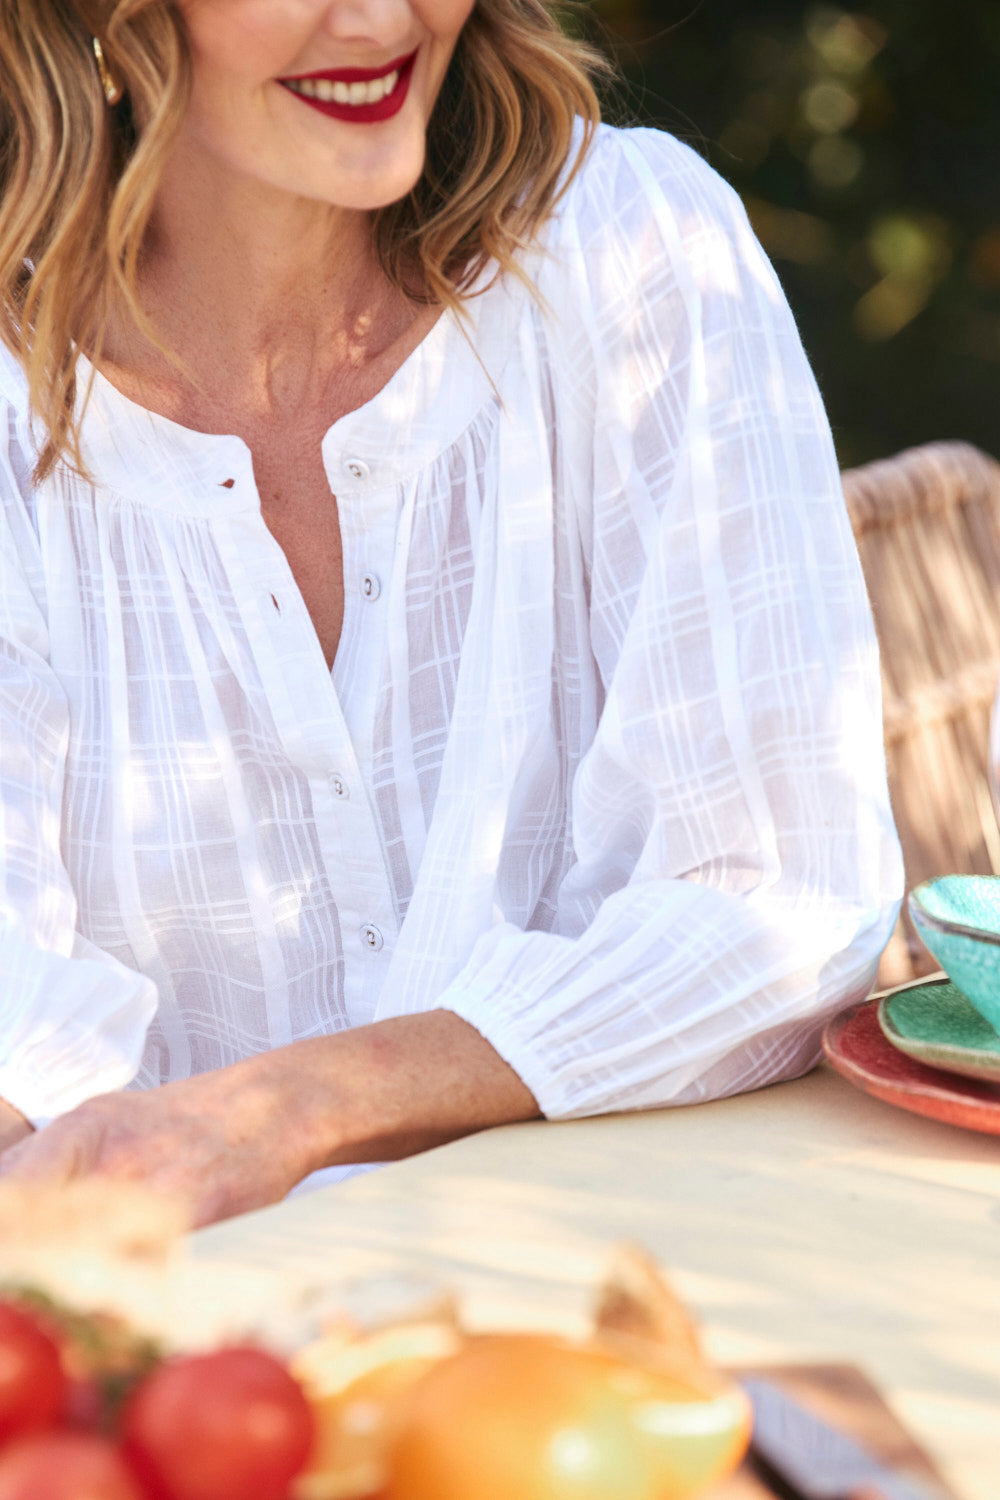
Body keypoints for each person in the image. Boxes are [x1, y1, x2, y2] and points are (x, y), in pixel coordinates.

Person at [0, 0, 901, 1227]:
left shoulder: (635, 248)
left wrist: (284, 1110)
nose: (383, 18)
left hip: (627, 1297)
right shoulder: (15, 409)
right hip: (175, 1348)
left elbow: (778, 894)